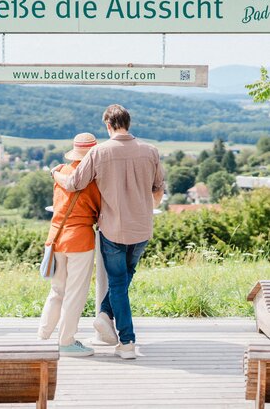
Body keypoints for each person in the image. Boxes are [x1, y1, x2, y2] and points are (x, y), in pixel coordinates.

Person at [52, 104, 165, 359]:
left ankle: (127, 342)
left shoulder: (99, 153)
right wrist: (145, 206)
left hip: (113, 229)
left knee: (117, 283)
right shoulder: (151, 151)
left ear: (108, 125)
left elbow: (73, 183)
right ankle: (104, 315)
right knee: (123, 280)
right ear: (128, 123)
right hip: (142, 228)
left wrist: (55, 173)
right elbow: (158, 189)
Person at [38, 132, 101, 357]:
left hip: (56, 237)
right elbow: (98, 210)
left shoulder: (61, 172)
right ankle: (66, 341)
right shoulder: (94, 179)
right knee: (75, 293)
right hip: (80, 240)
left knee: (57, 290)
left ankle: (44, 335)